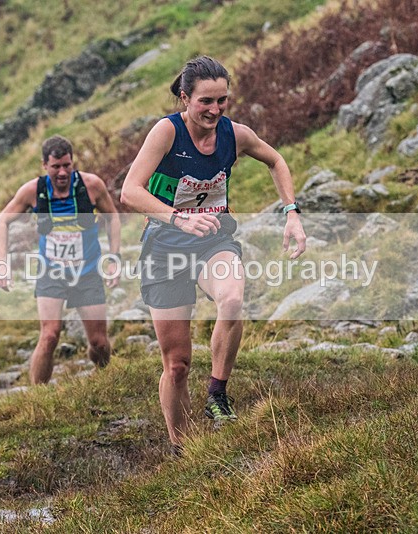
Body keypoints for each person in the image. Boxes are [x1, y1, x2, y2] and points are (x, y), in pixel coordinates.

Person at [120, 56, 306, 451]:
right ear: (185, 98)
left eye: (222, 100)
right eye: (206, 101)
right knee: (177, 365)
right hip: (165, 248)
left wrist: (291, 213)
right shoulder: (166, 133)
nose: (215, 110)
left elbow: (276, 160)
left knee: (233, 298)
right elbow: (130, 191)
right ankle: (182, 446)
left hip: (213, 240)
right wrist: (178, 219)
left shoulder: (234, 134)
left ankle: (217, 394)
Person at [0, 135, 121, 384]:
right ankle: (38, 396)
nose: (62, 172)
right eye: (56, 167)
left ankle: (106, 378)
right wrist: (2, 262)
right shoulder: (34, 191)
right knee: (50, 335)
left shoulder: (91, 185)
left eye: (67, 165)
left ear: (73, 162)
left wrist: (114, 258)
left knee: (99, 342)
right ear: (44, 165)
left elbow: (113, 217)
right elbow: (2, 220)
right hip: (51, 272)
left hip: (87, 272)